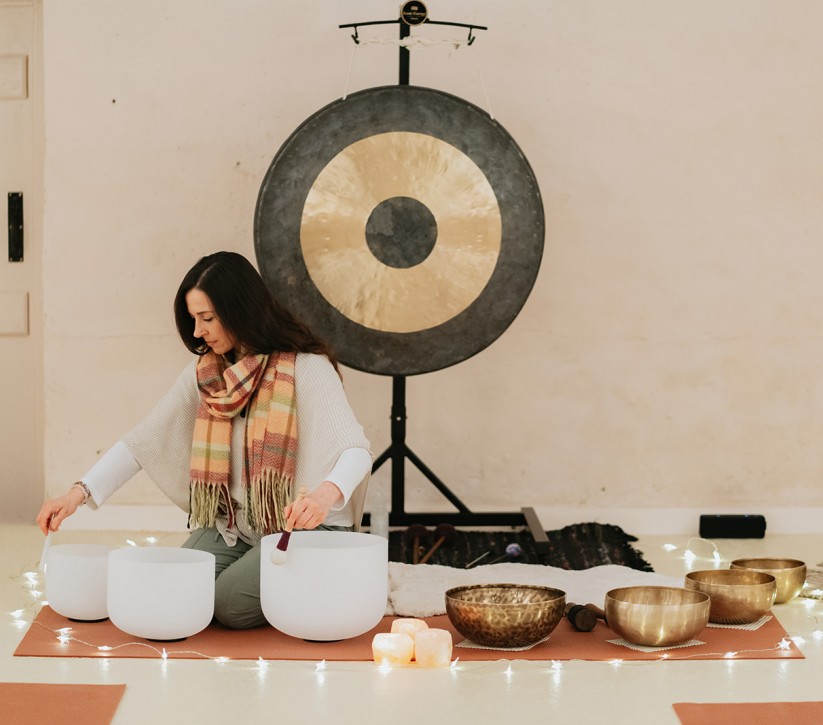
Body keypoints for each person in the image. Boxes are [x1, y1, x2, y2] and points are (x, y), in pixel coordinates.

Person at [36, 251, 372, 629]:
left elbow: (356, 451)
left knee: (227, 605)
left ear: (240, 310)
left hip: (305, 528)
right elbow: (142, 440)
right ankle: (278, 579)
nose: (197, 332)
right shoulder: (208, 375)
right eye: (194, 319)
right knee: (176, 586)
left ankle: (323, 581)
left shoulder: (306, 368)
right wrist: (75, 494)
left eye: (207, 318)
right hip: (240, 527)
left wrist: (323, 495)